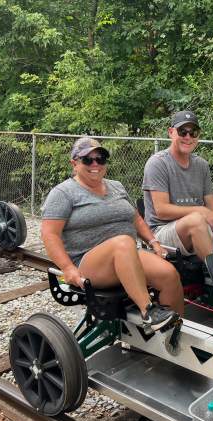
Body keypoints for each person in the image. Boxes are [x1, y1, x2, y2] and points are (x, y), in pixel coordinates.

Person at [41, 137, 184, 330]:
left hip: (127, 255)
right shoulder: (63, 193)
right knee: (123, 242)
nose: (95, 164)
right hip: (89, 263)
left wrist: (153, 242)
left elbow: (136, 219)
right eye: (87, 160)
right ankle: (148, 311)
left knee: (168, 274)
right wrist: (68, 269)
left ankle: (172, 333)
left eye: (100, 159)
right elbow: (50, 234)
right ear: (74, 163)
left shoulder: (116, 186)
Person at [142, 110, 213, 260]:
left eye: (193, 132)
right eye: (182, 131)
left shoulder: (201, 165)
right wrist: (200, 210)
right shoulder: (158, 163)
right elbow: (162, 210)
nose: (188, 137)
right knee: (196, 221)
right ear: (171, 132)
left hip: (198, 227)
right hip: (160, 233)